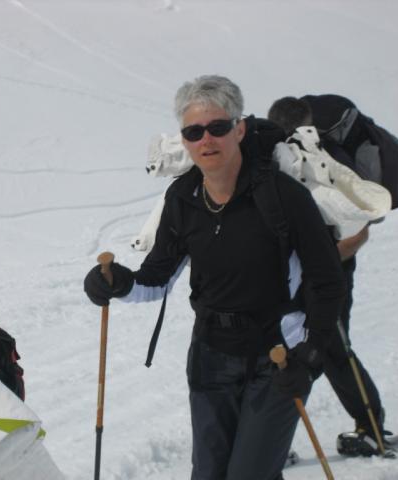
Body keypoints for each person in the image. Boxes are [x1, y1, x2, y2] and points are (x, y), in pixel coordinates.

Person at [84, 75, 346, 480]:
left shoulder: (283, 197)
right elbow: (157, 277)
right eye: (194, 132)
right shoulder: (183, 198)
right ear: (185, 140)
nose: (206, 139)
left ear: (238, 129)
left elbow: (328, 281)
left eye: (218, 127)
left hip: (278, 357)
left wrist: (311, 355)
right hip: (211, 356)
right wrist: (116, 283)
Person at [268, 96, 392, 455]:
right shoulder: (270, 160)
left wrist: (318, 262)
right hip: (289, 277)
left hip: (328, 277)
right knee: (281, 356)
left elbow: (359, 231)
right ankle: (266, 444)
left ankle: (372, 429)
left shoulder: (329, 160)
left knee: (331, 350)